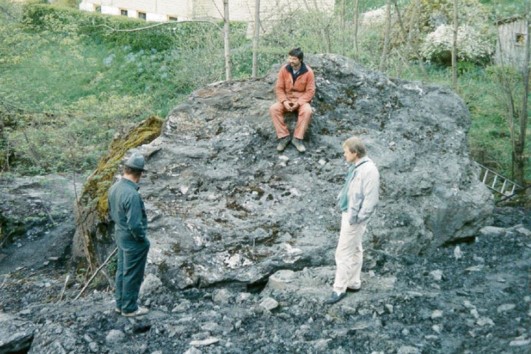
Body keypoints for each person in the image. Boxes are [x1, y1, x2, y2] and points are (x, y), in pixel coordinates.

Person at [325, 136, 380, 305]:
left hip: (354, 217)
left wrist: (357, 218)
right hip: (350, 213)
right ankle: (353, 282)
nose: (344, 155)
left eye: (346, 152)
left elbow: (371, 199)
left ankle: (339, 288)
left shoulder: (369, 170)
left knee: (343, 252)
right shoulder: (358, 166)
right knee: (355, 249)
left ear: (355, 153)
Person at [108, 153, 150, 317]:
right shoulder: (132, 194)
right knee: (132, 273)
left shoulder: (114, 187)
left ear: (126, 169)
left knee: (122, 270)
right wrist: (142, 239)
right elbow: (134, 224)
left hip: (120, 233)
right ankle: (130, 308)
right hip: (132, 238)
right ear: (139, 173)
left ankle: (120, 304)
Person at [269, 47, 315, 153]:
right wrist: (284, 101)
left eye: (294, 59)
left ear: (300, 60)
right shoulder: (284, 69)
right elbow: (279, 88)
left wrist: (298, 103)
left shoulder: (308, 72)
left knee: (307, 111)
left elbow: (310, 92)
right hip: (287, 99)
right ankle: (284, 137)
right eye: (289, 58)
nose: (291, 61)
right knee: (273, 109)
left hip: (301, 101)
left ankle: (297, 139)